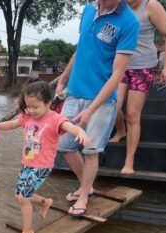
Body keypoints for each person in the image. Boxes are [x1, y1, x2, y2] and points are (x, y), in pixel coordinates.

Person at [55, 0, 140, 216]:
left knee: (91, 151)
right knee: (64, 145)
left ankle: (83, 195)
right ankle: (87, 185)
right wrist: (63, 79)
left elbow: (117, 74)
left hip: (102, 100)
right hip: (74, 93)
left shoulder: (129, 21)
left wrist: (91, 109)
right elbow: (81, 47)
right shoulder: (88, 9)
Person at [0, 81, 89, 233]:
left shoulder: (55, 119)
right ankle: (45, 202)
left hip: (42, 166)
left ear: (47, 103)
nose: (31, 110)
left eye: (35, 107)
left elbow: (69, 126)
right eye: (28, 106)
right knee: (18, 196)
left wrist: (80, 131)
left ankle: (28, 231)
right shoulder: (28, 117)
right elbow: (13, 124)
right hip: (27, 162)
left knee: (24, 197)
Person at [108, 0, 166, 175]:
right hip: (120, 65)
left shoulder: (151, 6)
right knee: (111, 106)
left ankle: (129, 161)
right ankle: (121, 130)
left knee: (132, 114)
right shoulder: (117, 5)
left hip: (143, 66)